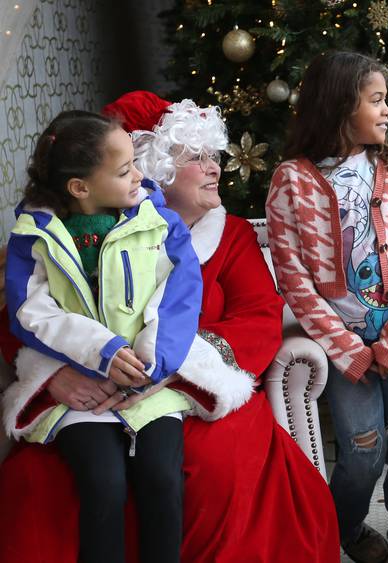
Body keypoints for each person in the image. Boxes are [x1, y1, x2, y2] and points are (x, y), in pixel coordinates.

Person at [0, 92, 340, 563]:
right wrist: (57, 378)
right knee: (40, 482)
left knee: (215, 469)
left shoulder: (233, 236)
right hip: (84, 390)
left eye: (213, 156)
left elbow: (260, 319)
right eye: (196, 158)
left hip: (188, 388)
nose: (215, 168)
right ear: (148, 166)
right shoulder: (59, 233)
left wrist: (170, 370)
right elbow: (22, 315)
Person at [4, 109, 202, 563]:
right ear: (80, 188)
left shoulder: (159, 222)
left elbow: (180, 296)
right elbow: (30, 311)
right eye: (124, 169)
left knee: (161, 478)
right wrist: (103, 352)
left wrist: (149, 364)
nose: (139, 175)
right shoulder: (33, 236)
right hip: (81, 386)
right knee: (103, 483)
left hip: (150, 383)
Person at [267, 51, 388, 563]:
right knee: (363, 451)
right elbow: (294, 281)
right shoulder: (291, 181)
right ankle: (342, 529)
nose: (387, 112)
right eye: (377, 100)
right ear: (342, 104)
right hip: (345, 345)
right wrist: (347, 350)